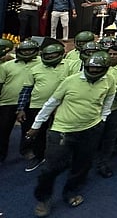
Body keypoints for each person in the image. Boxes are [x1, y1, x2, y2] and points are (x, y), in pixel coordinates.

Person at [27, 51, 114, 216]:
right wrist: (36, 125)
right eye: (91, 68)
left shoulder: (109, 80)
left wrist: (102, 119)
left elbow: (108, 100)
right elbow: (51, 103)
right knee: (50, 168)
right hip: (62, 130)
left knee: (82, 166)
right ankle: (44, 198)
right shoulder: (70, 81)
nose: (94, 71)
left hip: (91, 130)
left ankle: (70, 192)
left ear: (105, 69)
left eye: (98, 69)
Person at [16, 42, 70, 173]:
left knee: (61, 134)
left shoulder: (69, 65)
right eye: (47, 55)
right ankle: (39, 156)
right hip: (37, 106)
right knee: (38, 133)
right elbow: (26, 90)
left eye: (54, 54)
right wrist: (21, 108)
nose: (50, 57)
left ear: (60, 54)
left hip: (62, 106)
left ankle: (61, 159)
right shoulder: (35, 69)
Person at [0, 40, 41, 165]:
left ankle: (26, 149)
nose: (27, 52)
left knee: (28, 128)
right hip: (7, 102)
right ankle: (1, 153)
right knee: (3, 129)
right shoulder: (6, 66)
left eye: (30, 50)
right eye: (24, 50)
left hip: (29, 102)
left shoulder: (41, 63)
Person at [95, 45, 117, 178]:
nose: (112, 56)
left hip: (115, 109)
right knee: (93, 136)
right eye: (110, 54)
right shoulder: (100, 67)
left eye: (115, 54)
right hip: (96, 109)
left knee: (110, 137)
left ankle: (103, 164)